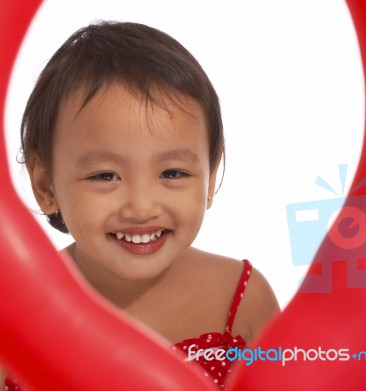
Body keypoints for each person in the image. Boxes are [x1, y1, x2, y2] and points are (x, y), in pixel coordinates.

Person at [2, 21, 279, 390]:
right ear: (44, 183)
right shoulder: (17, 314)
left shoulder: (242, 298)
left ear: (210, 177)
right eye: (105, 176)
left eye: (173, 172)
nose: (141, 206)